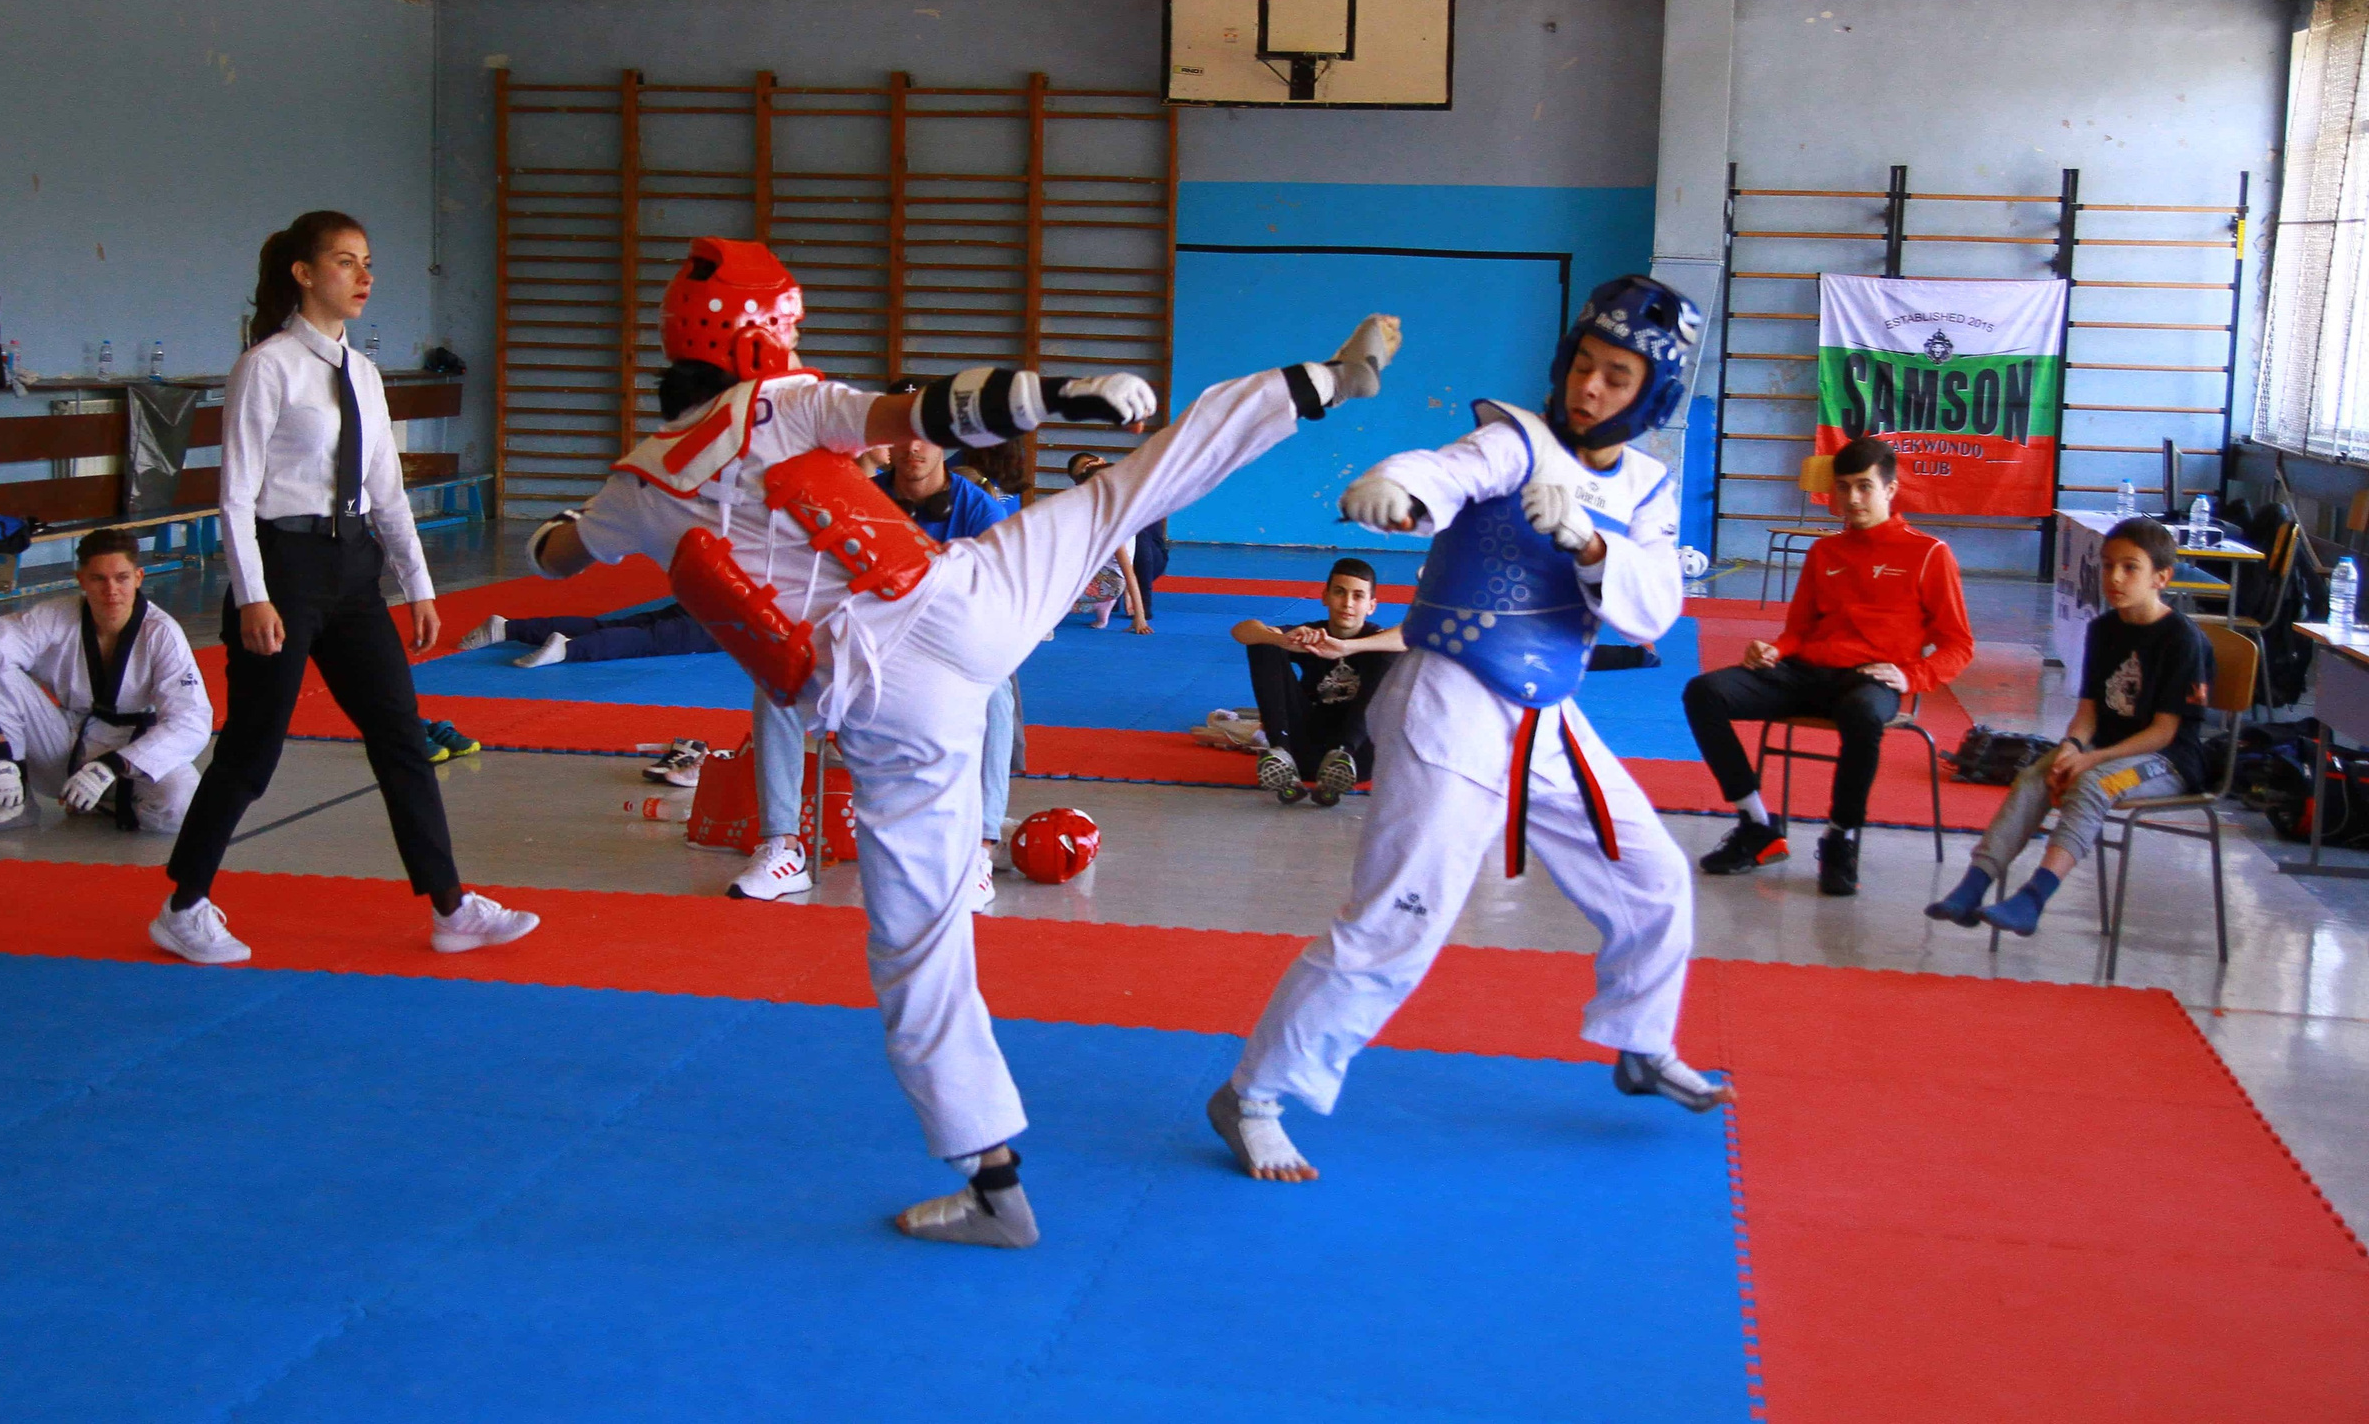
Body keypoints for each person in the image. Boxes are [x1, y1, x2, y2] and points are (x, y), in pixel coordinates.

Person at [532, 235, 1400, 1247]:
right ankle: (1317, 383)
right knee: (1128, 489)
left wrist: (588, 516)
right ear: (767, 337)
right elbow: (936, 408)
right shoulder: (782, 403)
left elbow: (555, 559)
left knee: (918, 947)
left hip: (886, 704)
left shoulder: (637, 480)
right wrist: (1067, 391)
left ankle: (993, 1186)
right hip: (962, 602)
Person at [1216, 277, 1727, 1187]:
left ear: (1651, 394)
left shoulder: (1646, 485)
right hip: (1448, 703)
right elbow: (1445, 471)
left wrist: (1593, 546)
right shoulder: (1515, 441)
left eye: (1617, 375)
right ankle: (1256, 1093)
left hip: (1547, 718)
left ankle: (1643, 1042)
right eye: (1583, 365)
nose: (1591, 388)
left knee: (1651, 876)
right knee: (1397, 923)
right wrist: (1392, 488)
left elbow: (1653, 609)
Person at [151, 211, 541, 967]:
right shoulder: (267, 366)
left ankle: (451, 906)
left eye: (367, 262)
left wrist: (418, 585)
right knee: (253, 746)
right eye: (344, 261)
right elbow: (233, 495)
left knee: (401, 735)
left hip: (354, 572)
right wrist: (253, 594)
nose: (363, 277)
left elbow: (386, 492)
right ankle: (184, 905)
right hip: (284, 568)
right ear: (303, 272)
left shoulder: (361, 373)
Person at [729, 416, 1024, 905]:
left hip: (941, 658)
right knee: (774, 682)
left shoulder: (979, 510)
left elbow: (996, 599)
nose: (913, 447)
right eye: (902, 435)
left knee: (995, 695)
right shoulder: (859, 497)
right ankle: (781, 846)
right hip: (865, 649)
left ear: (946, 446)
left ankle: (978, 851)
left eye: (926, 436)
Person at [1680, 434, 1974, 895]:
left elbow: (1959, 645)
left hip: (1869, 680)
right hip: (1805, 672)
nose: (1852, 499)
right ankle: (1757, 825)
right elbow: (1798, 631)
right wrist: (1773, 649)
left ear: (1890, 490)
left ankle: (1841, 836)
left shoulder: (1930, 555)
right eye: (1843, 488)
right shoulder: (1824, 553)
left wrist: (1912, 676)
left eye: (1864, 487)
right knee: (1703, 692)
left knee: (1859, 714)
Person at [1927, 516, 2213, 937]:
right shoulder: (2103, 629)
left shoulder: (2182, 639)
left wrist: (2091, 758)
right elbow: (2089, 711)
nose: (2114, 577)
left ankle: (2034, 898)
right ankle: (1973, 886)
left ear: (2161, 578)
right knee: (2032, 777)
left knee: (2094, 783)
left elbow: (2165, 732)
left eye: (2130, 567)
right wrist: (2070, 748)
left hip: (2167, 761)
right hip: (2105, 751)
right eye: (2108, 564)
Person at [0, 529, 210, 836]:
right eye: (98, 579)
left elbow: (191, 720)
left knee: (185, 806)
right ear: (81, 580)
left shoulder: (162, 633)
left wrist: (112, 765)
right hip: (64, 740)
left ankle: (103, 800)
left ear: (138, 577)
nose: (111, 590)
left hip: (134, 746)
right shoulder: (54, 617)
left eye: (121, 578)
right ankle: (16, 803)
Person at [1230, 556, 1404, 807]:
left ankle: (1342, 754)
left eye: (1357, 596)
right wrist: (1282, 640)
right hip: (1305, 752)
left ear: (1371, 605)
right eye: (1340, 593)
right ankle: (1281, 752)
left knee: (1390, 653)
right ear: (1325, 596)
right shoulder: (1311, 634)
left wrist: (1346, 648)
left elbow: (1409, 636)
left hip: (1357, 758)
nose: (1347, 603)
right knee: (1264, 642)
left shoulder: (1378, 639)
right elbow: (1242, 630)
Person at [455, 602, 719, 668]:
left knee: (614, 625)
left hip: (711, 596)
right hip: (737, 614)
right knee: (649, 640)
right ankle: (568, 648)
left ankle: (505, 628)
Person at [1068, 450, 1169, 618]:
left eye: (1089, 464)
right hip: (1111, 569)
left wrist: (1136, 604)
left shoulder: (1134, 486)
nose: (1088, 470)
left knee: (1137, 534)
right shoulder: (1090, 502)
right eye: (1083, 473)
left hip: (1149, 558)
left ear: (1101, 460)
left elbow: (1126, 557)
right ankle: (1106, 600)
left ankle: (1142, 604)